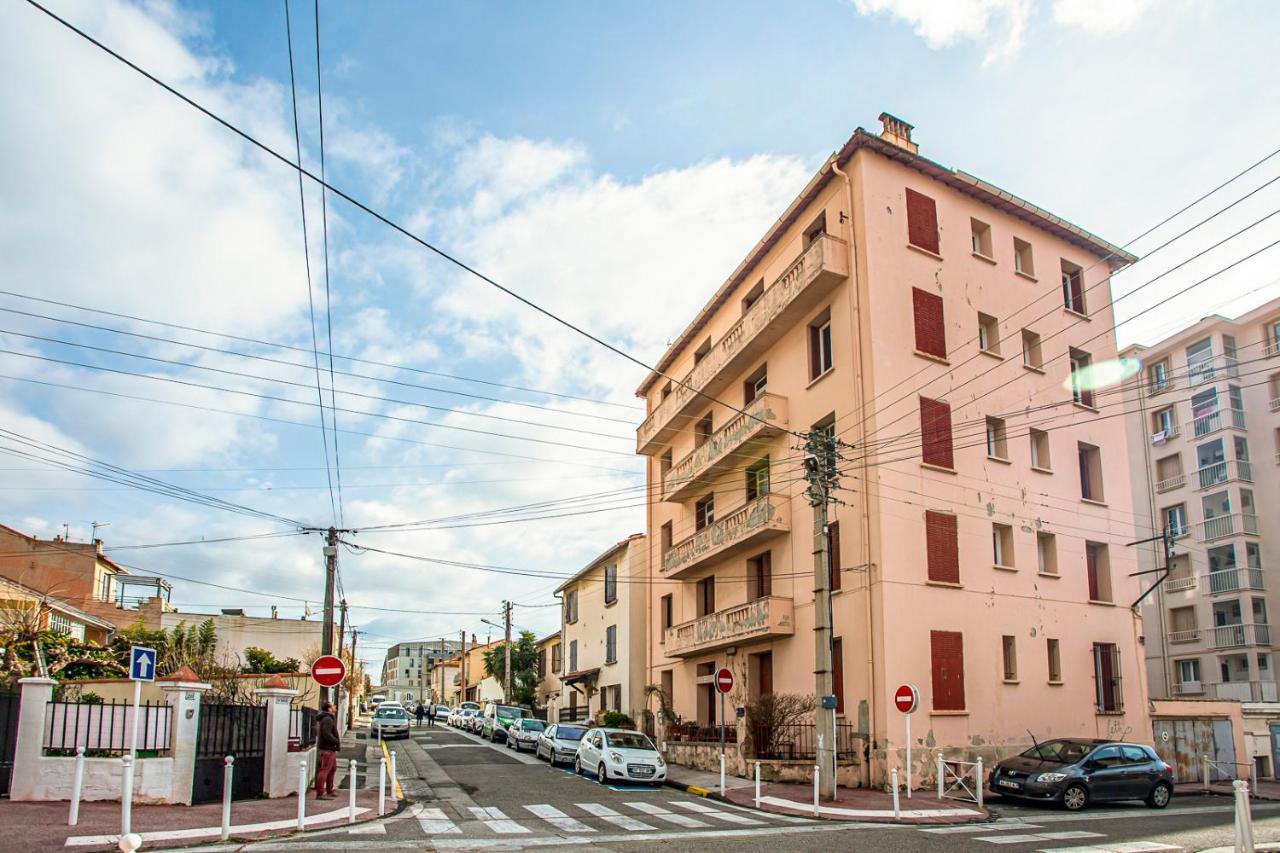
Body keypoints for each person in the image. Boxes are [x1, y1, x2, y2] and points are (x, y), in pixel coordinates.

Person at [315, 701, 340, 800]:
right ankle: (320, 793)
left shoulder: (327, 718)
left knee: (332, 769)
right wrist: (335, 741)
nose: (335, 706)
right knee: (325, 770)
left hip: (329, 749)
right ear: (329, 709)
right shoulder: (328, 719)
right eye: (333, 705)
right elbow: (326, 733)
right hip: (327, 749)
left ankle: (329, 790)